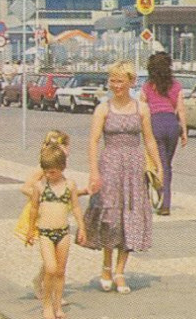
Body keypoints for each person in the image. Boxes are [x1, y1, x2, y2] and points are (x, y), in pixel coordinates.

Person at [80, 61, 160, 294]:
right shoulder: (103, 109)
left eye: (120, 81)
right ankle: (106, 266)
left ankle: (120, 271)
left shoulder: (141, 109)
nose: (116, 85)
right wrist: (94, 171)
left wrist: (158, 165)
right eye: (112, 81)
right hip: (111, 165)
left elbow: (150, 139)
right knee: (110, 217)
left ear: (131, 82)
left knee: (131, 218)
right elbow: (93, 141)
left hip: (134, 168)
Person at [25, 142, 86, 319]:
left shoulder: (69, 186)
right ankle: (46, 304)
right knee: (50, 268)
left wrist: (81, 227)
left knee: (60, 271)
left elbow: (75, 207)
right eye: (46, 171)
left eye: (52, 171)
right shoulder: (40, 187)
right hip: (45, 233)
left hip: (63, 233)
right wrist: (30, 229)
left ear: (62, 168)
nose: (48, 175)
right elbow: (34, 208)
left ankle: (57, 304)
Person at [141, 51, 187, 216]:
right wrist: (185, 131)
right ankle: (164, 202)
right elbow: (180, 108)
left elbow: (142, 108)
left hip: (154, 123)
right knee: (166, 164)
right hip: (172, 124)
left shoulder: (147, 86)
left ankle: (161, 201)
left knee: (156, 164)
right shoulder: (176, 85)